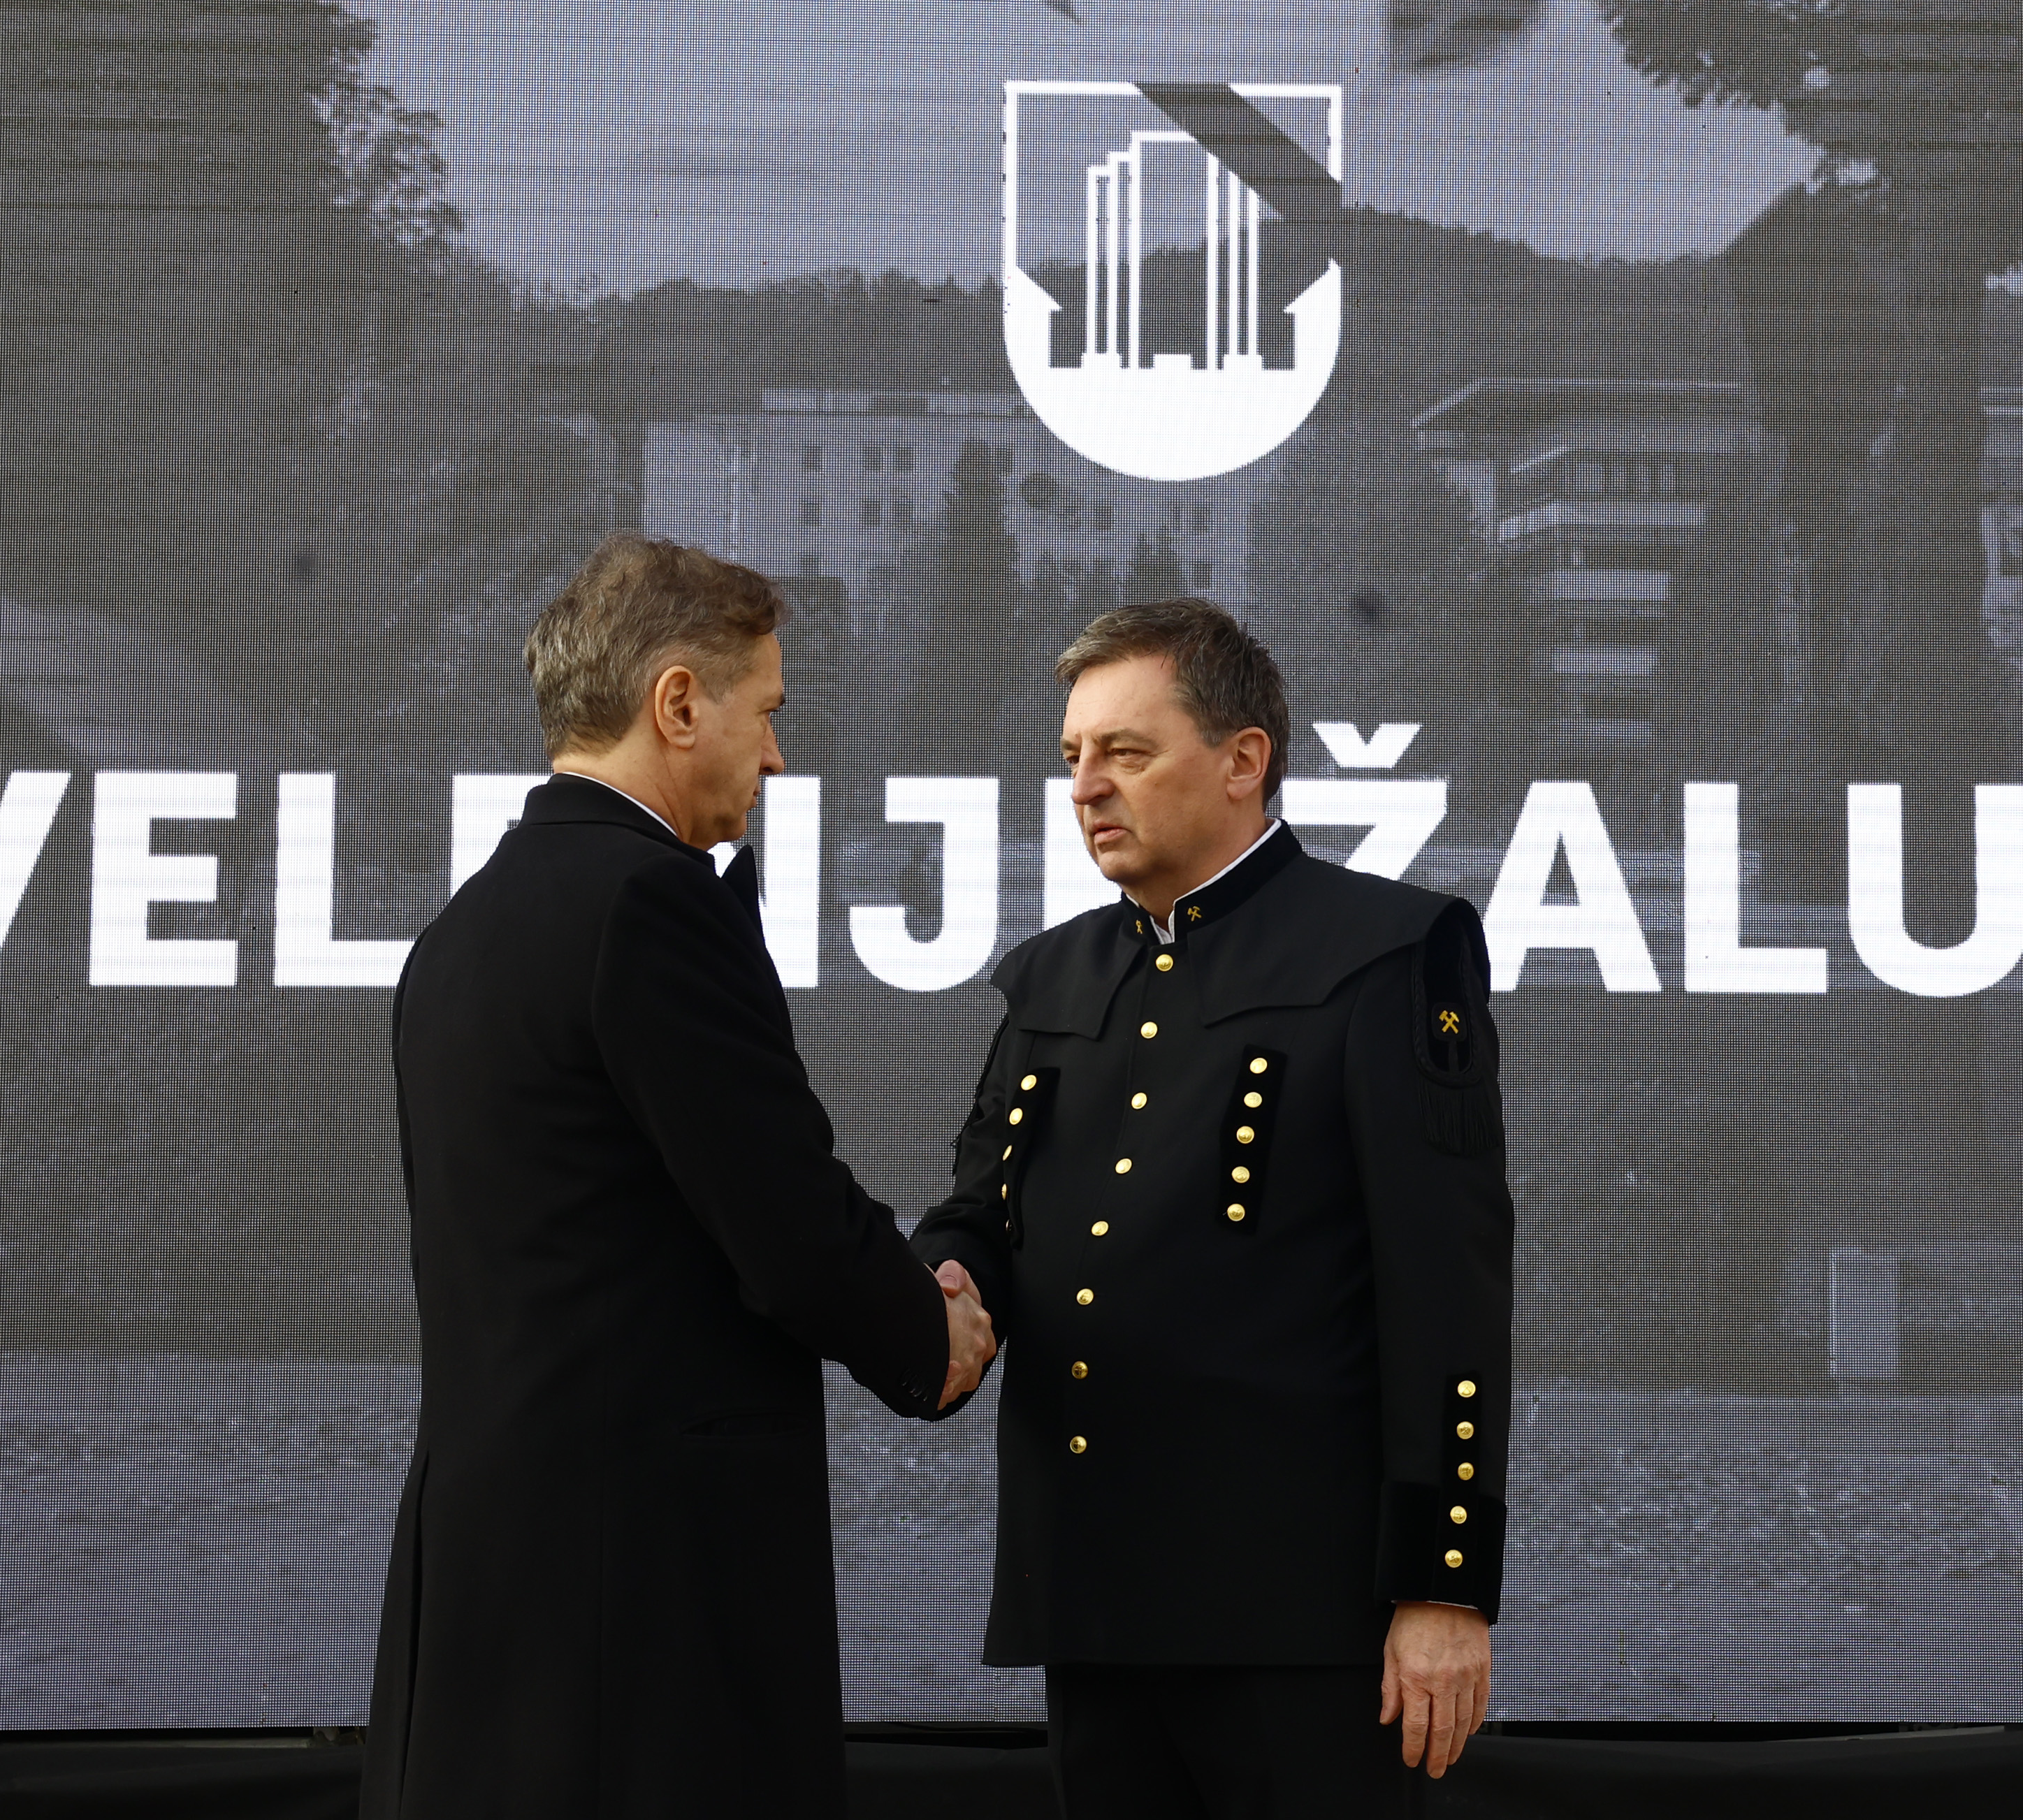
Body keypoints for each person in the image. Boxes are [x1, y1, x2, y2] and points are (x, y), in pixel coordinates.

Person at [361, 534, 996, 1820]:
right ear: (678, 703)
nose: (778, 757)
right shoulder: (652, 909)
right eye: (767, 712)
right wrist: (930, 1336)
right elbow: (782, 1212)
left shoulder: (459, 932)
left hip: (487, 1582)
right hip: (636, 1606)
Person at [913, 597, 1515, 1818]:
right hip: (1090, 1598)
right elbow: (981, 1211)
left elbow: (1447, 1287)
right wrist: (943, 1287)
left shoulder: (1389, 952)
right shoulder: (1049, 977)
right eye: (1074, 756)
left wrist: (1443, 1586)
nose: (1088, 786)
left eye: (1127, 752)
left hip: (1299, 1616)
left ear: (1245, 760)